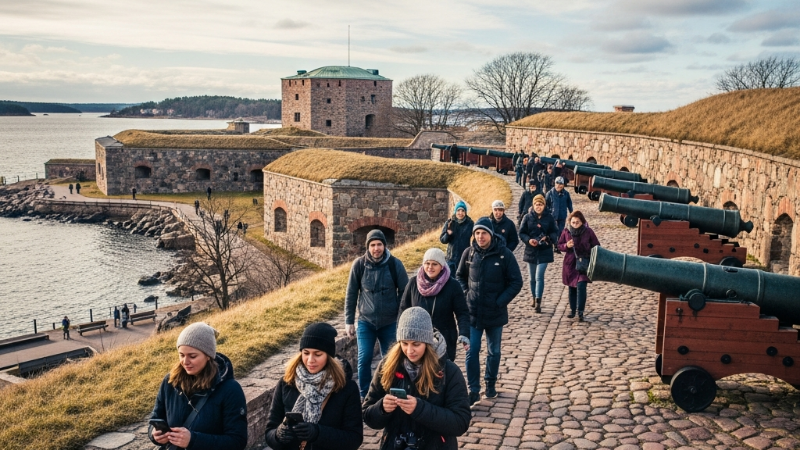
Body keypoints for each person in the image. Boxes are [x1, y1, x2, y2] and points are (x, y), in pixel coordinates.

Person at [363, 307, 471, 450]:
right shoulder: (387, 366)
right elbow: (367, 415)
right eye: (404, 343)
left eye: (416, 344)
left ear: (427, 342)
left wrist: (420, 409)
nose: (409, 351)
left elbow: (460, 422)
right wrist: (381, 408)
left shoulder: (449, 371)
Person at [148, 322, 248, 450]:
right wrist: (154, 434)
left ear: (208, 356)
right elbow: (155, 418)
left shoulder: (230, 389)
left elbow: (237, 442)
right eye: (181, 355)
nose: (185, 362)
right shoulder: (170, 382)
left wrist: (193, 440)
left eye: (192, 356)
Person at [456, 217, 523, 405]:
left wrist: (500, 301)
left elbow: (516, 282)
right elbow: (459, 276)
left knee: (494, 352)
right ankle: (473, 389)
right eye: (477, 233)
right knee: (472, 351)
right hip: (473, 313)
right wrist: (466, 294)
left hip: (495, 313)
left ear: (491, 234)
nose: (480, 236)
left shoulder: (504, 254)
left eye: (483, 233)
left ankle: (490, 384)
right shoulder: (469, 253)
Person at [265, 323, 363, 450]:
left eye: (317, 354)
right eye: (306, 353)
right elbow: (269, 432)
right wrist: (278, 435)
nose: (310, 360)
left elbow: (354, 439)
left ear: (329, 356)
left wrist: (318, 433)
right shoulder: (286, 383)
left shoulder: (346, 388)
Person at [344, 229, 409, 398]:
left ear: (384, 246)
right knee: (364, 358)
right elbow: (351, 293)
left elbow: (405, 291)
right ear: (368, 247)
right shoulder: (359, 265)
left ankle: (388, 392)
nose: (376, 248)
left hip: (390, 322)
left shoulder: (395, 264)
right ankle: (365, 395)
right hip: (366, 322)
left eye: (379, 244)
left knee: (390, 360)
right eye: (372, 245)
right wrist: (349, 321)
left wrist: (400, 314)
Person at [399, 248, 470, 361]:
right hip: (418, 340)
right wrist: (400, 335)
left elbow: (462, 312)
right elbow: (403, 310)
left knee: (442, 370)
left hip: (444, 338)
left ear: (441, 266)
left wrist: (464, 333)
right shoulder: (413, 283)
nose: (430, 267)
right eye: (427, 263)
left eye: (434, 264)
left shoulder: (453, 285)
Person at [518, 194, 560, 314]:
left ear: (544, 205)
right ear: (533, 205)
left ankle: (538, 301)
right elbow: (522, 233)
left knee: (539, 276)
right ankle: (533, 296)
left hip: (544, 251)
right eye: (536, 204)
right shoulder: (527, 217)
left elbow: (555, 232)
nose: (538, 206)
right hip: (531, 250)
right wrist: (529, 240)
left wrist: (548, 238)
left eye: (540, 204)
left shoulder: (549, 217)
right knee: (532, 278)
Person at [557, 211, 601, 322]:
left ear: (582, 222)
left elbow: (597, 246)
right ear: (570, 222)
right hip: (570, 263)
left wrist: (589, 253)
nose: (575, 224)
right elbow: (559, 245)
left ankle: (580, 311)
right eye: (573, 222)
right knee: (572, 287)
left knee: (581, 286)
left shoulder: (588, 231)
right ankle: (572, 310)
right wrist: (566, 245)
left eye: (577, 222)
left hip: (584, 263)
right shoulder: (566, 232)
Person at [439, 201, 474, 276]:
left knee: (462, 279)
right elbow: (442, 240)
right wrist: (448, 234)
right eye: (458, 210)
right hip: (451, 258)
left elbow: (475, 238)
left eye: (463, 211)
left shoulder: (470, 223)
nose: (460, 213)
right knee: (450, 279)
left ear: (465, 212)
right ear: (455, 211)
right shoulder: (450, 223)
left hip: (464, 258)